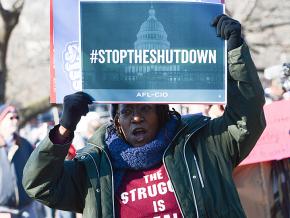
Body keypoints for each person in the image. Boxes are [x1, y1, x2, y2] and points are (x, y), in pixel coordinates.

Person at [22, 15, 266, 218]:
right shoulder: (93, 167)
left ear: (160, 112)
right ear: (116, 121)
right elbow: (39, 185)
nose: (135, 118)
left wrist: (235, 54)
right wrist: (64, 128)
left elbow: (247, 119)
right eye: (127, 111)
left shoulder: (202, 145)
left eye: (145, 109)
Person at [0, 104, 38, 218]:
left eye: (17, 117)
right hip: (3, 210)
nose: (15, 121)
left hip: (27, 208)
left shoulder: (25, 144)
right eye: (11, 118)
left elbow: (37, 169)